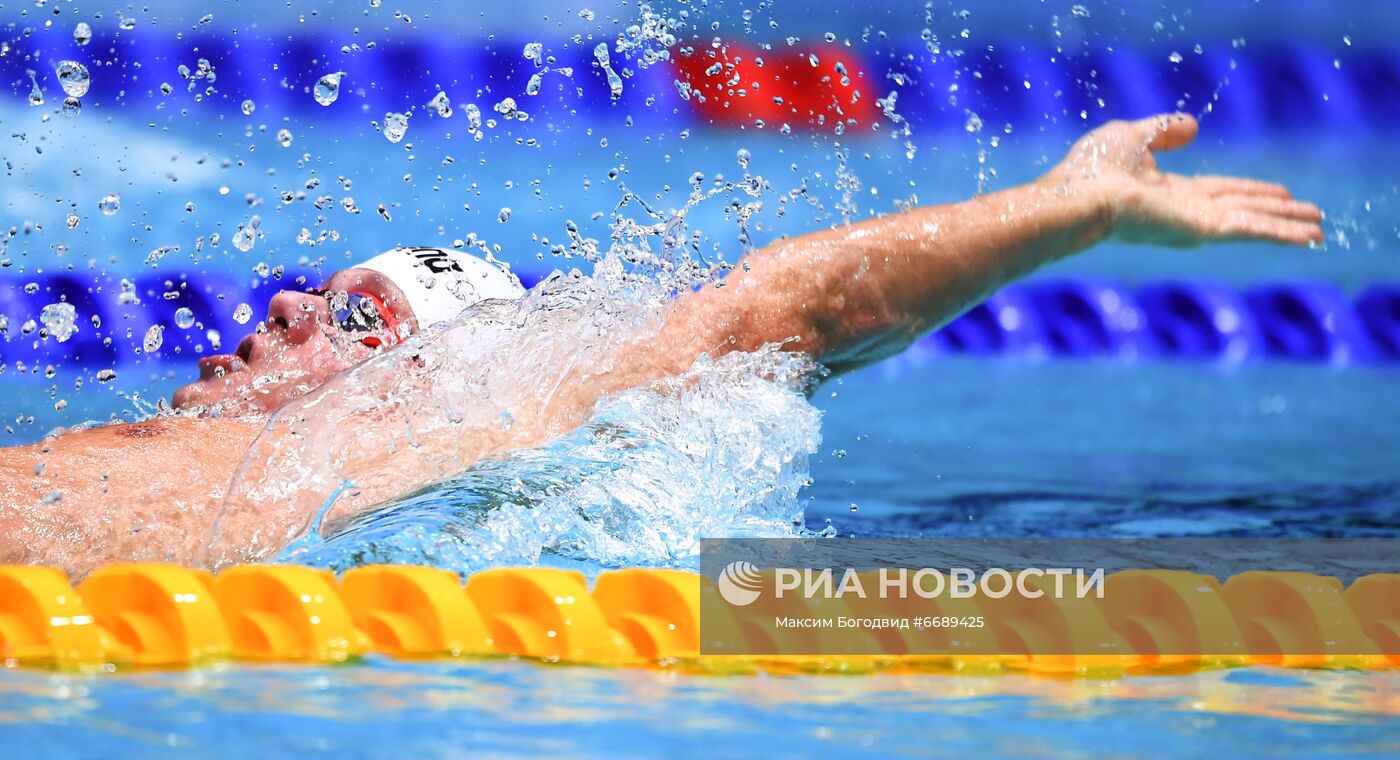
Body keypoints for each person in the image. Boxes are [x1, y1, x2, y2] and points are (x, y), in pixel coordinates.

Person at [0, 114, 1324, 576]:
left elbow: (776, 312)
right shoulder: (184, 451)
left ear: (424, 375)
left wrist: (1071, 205)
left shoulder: (407, 435)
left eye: (361, 317)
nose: (283, 309)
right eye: (316, 295)